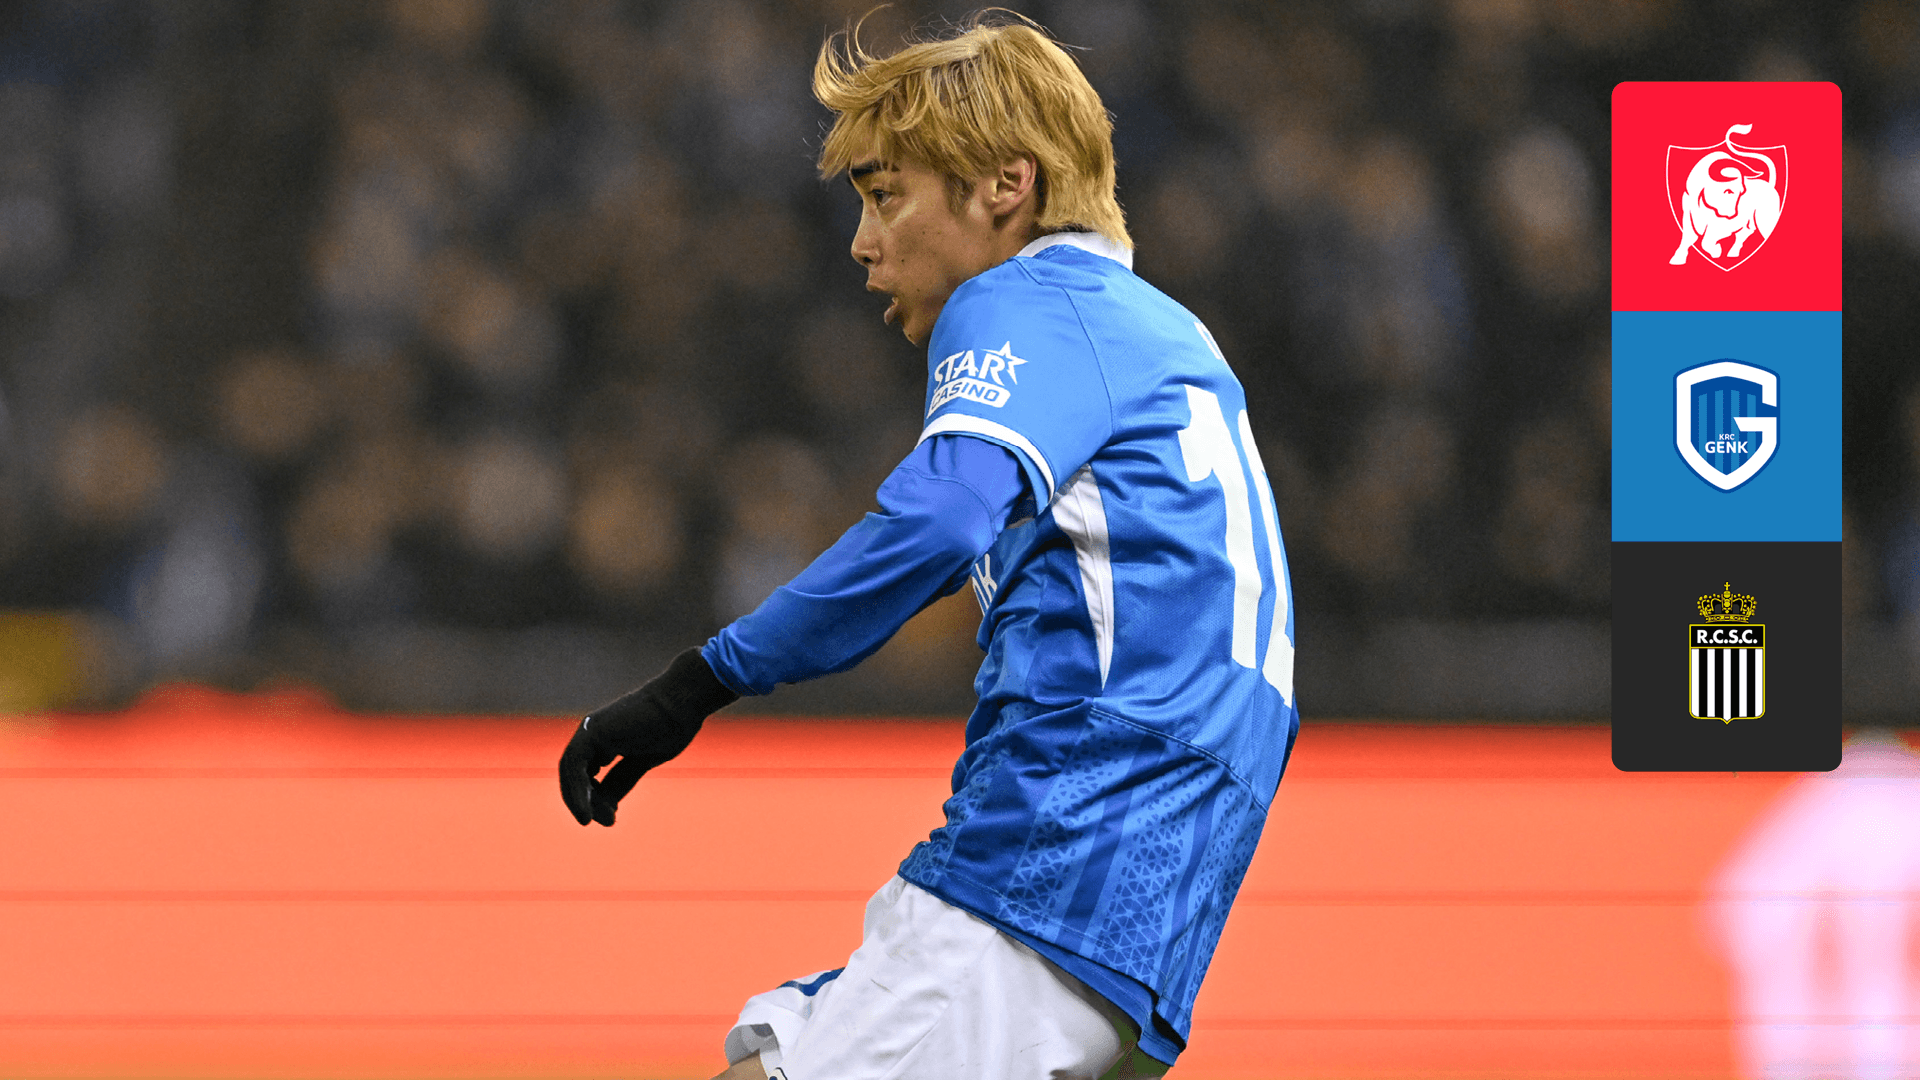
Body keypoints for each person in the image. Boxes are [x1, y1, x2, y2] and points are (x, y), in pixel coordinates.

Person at [558, 13, 1299, 1080]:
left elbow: (940, 522)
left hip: (1061, 840)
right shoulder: (1162, 332)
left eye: (885, 196)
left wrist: (697, 684)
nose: (864, 244)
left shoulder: (1026, 299)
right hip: (1153, 886)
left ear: (1006, 186)